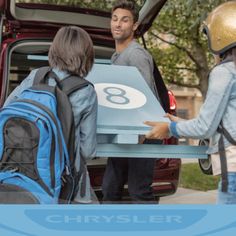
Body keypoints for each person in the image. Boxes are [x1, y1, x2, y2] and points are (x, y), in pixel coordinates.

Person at [144, 1, 236, 204]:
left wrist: (170, 128)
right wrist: (181, 122)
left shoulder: (224, 72)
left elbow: (205, 127)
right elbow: (226, 122)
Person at [4, 26, 98, 203]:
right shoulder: (86, 91)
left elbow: (7, 110)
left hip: (20, 170)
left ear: (55, 49)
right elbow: (88, 150)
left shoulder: (35, 76)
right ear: (87, 55)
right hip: (64, 182)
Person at [102, 0, 159, 203]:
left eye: (124, 20)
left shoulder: (135, 55)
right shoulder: (116, 57)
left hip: (144, 133)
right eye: (115, 19)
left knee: (139, 191)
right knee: (110, 188)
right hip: (126, 132)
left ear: (134, 26)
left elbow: (146, 97)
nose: (118, 24)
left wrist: (142, 135)